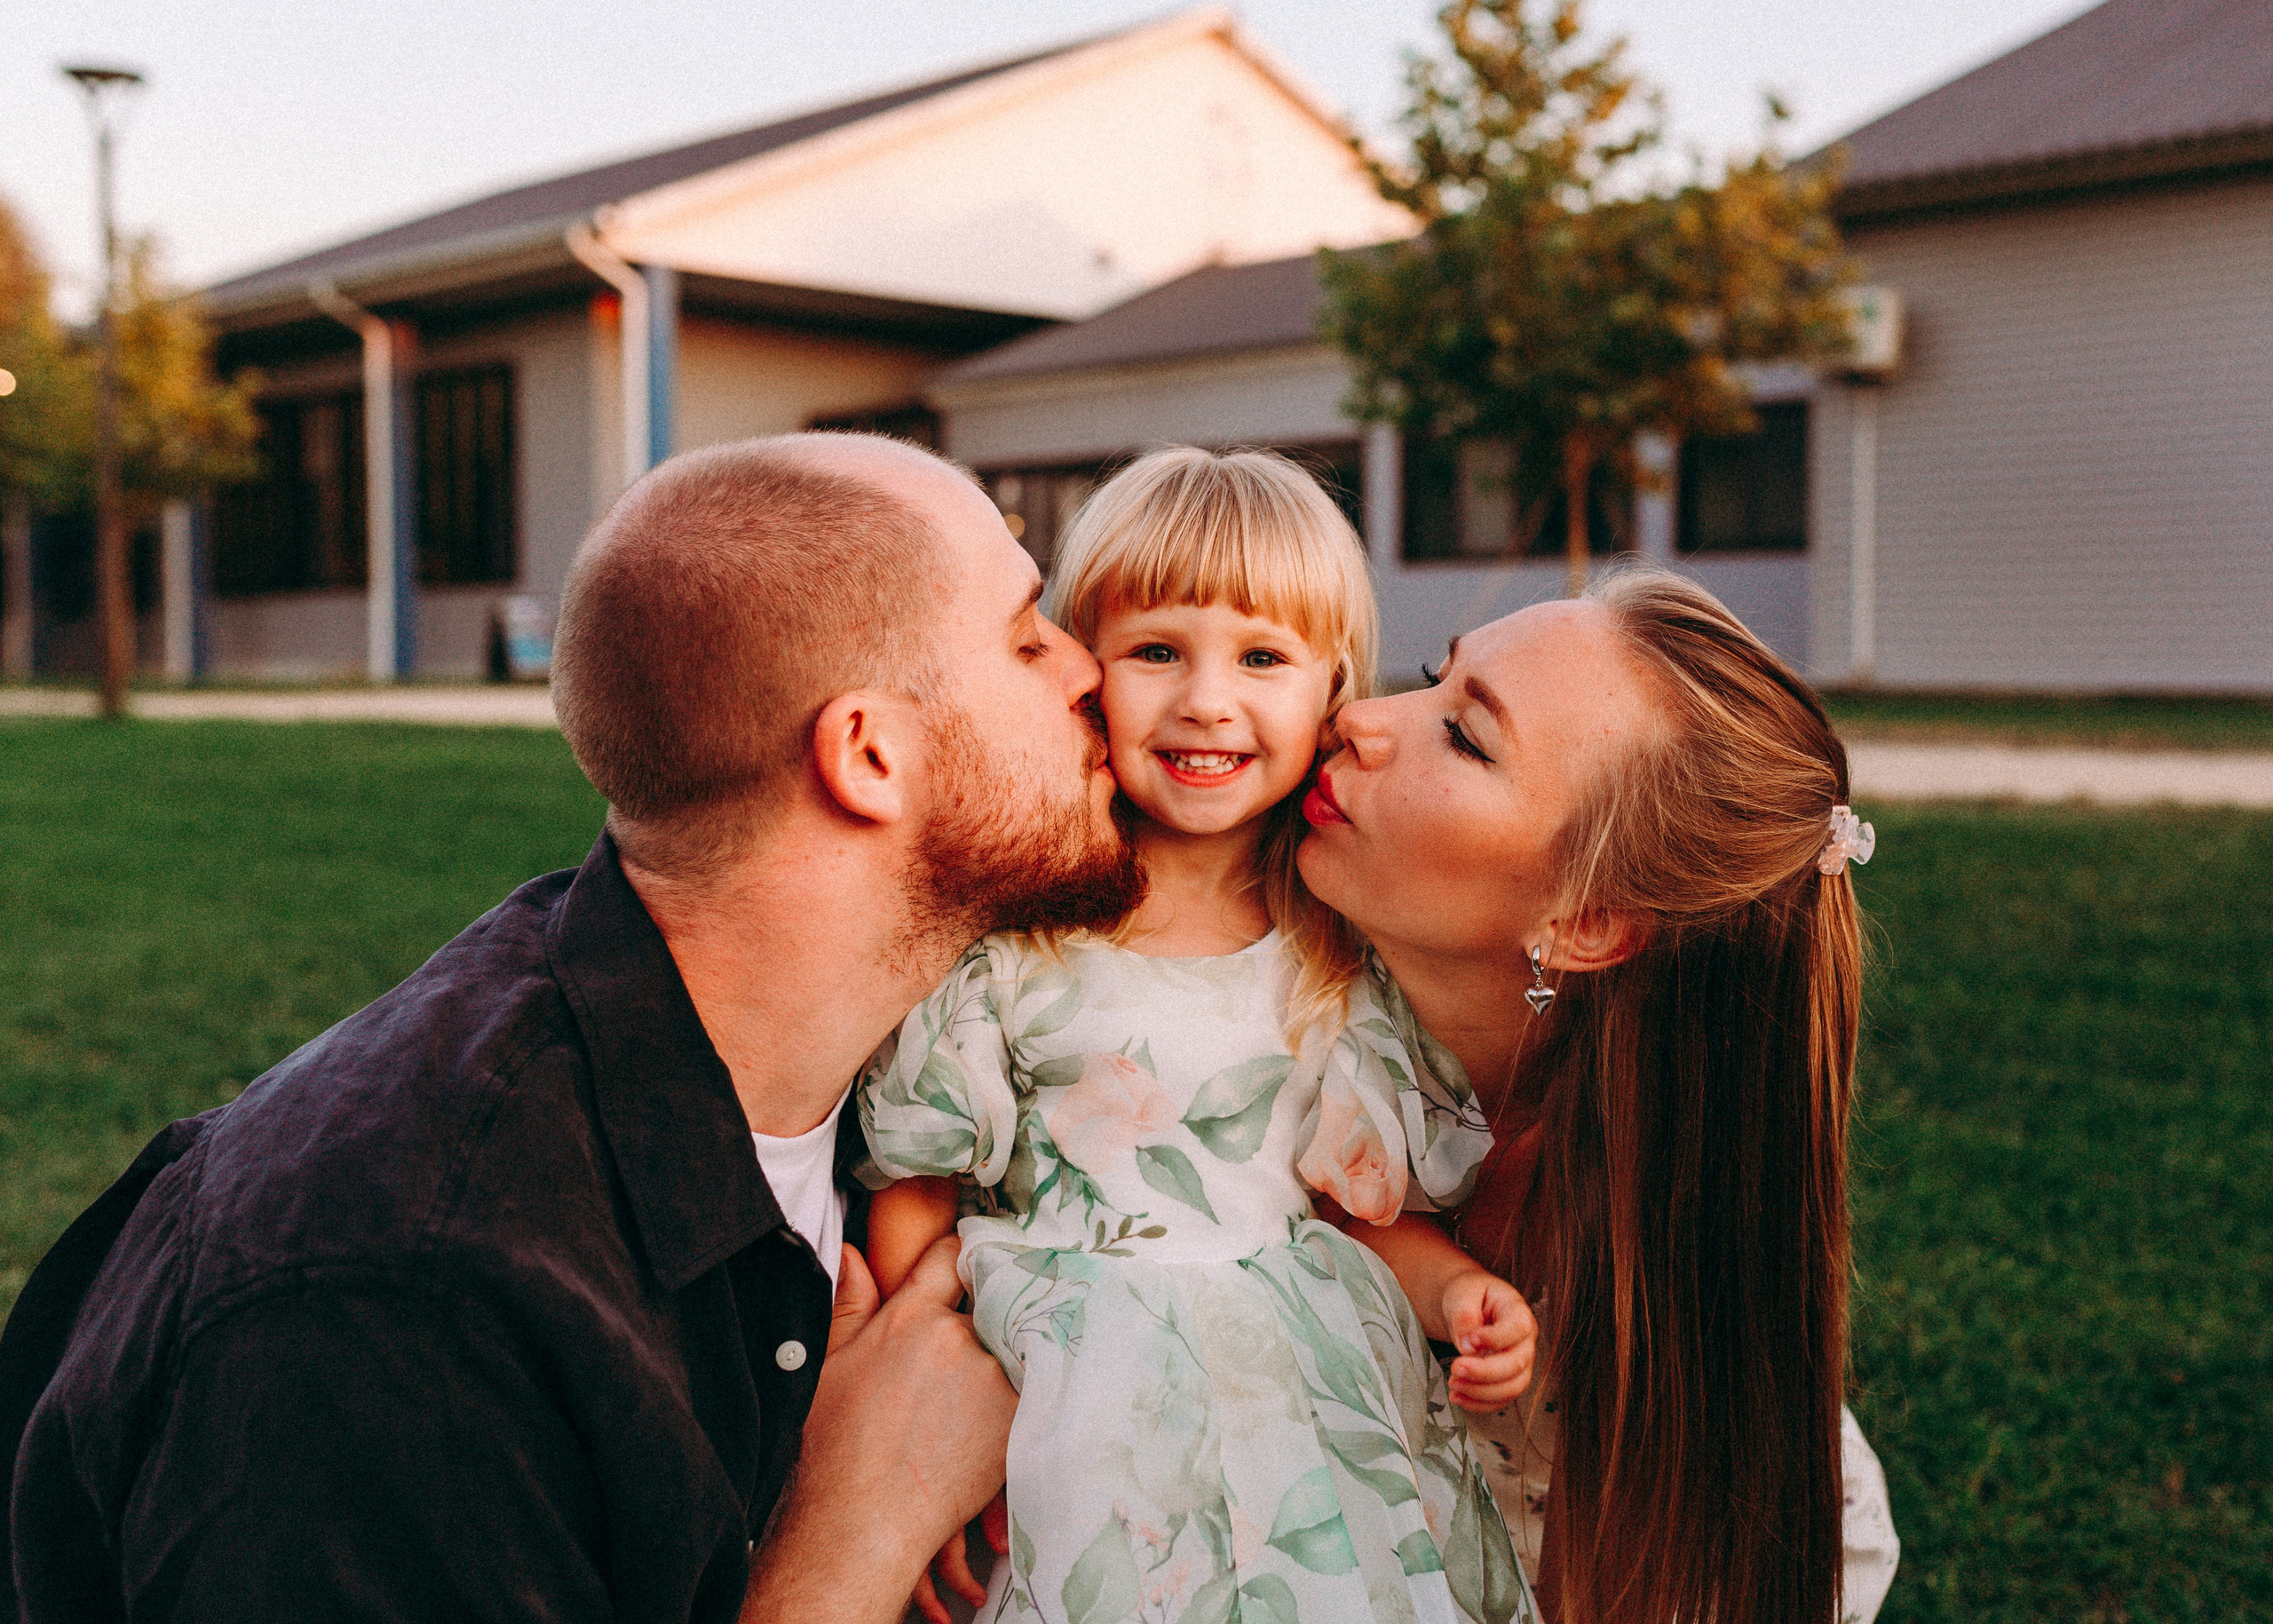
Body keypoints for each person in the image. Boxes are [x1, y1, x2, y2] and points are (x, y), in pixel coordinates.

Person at [0, 433, 1146, 1623]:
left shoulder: (918, 1083)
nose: (1090, 671)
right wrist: (852, 1540)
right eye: (1028, 637)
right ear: (868, 754)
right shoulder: (398, 1314)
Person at [856, 448, 1537, 1624]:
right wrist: (887, 1447)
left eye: (1262, 658)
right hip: (1070, 1399)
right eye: (1157, 651)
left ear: (1332, 688)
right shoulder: (1021, 938)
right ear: (1083, 668)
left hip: (1298, 1417)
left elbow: (1361, 1216)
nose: (1208, 701)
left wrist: (1459, 1295)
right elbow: (925, 1194)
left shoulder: (1334, 947)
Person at [1296, 567, 1901, 1624]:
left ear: (1583, 924)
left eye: (1466, 736)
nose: (1357, 717)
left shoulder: (1648, 1354)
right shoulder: (1231, 1019)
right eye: (1438, 677)